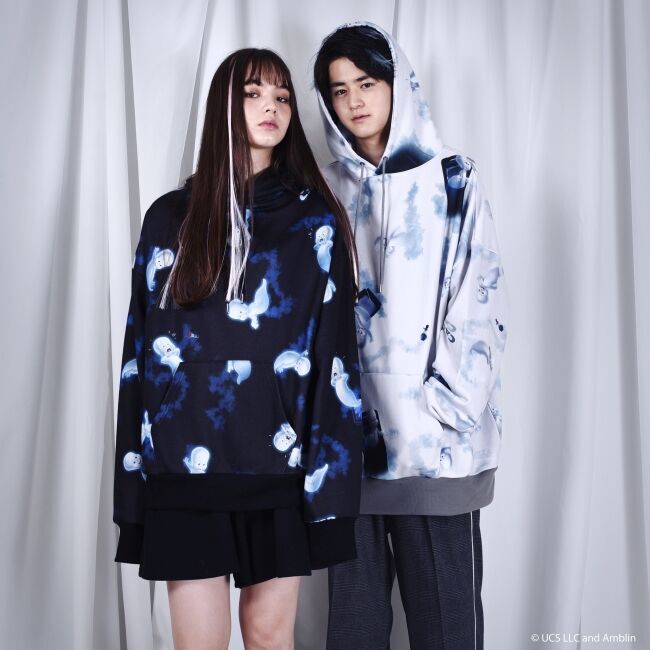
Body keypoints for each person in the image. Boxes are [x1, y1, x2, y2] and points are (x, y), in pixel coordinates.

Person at [113, 47, 363, 650]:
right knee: (199, 642)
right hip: (183, 464)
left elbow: (336, 359)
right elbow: (137, 357)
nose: (271, 107)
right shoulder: (169, 217)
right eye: (253, 94)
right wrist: (135, 481)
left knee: (268, 635)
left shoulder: (314, 223)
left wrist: (329, 490)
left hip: (278, 466)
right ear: (224, 105)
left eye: (282, 97)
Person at [313, 22, 510, 650]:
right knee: (354, 631)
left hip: (436, 448)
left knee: (448, 630)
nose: (354, 101)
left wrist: (446, 406)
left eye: (367, 83)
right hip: (350, 448)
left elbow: (479, 297)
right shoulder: (319, 190)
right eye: (339, 90)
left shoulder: (454, 179)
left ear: (398, 83)